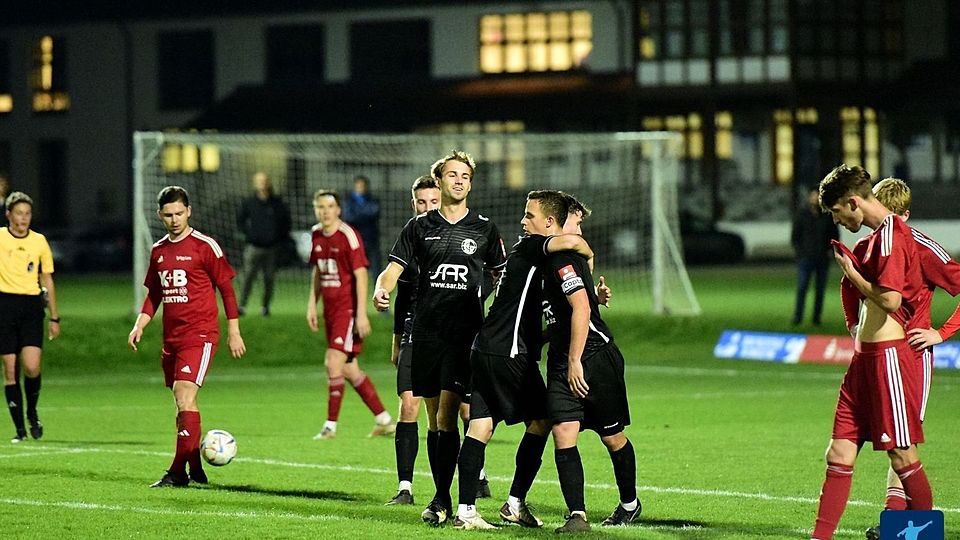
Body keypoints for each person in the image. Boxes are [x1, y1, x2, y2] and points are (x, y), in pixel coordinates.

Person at [373, 150, 506, 526]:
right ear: (440, 181)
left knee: (451, 414)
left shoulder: (484, 228)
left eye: (465, 175)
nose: (460, 180)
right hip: (428, 335)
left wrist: (486, 299)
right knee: (437, 420)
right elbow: (393, 269)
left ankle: (444, 498)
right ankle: (442, 498)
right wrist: (381, 289)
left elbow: (500, 274)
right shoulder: (419, 227)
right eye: (453, 174)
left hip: (465, 336)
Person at [452, 190, 596, 530]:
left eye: (528, 215)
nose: (522, 220)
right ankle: (515, 503)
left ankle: (466, 511)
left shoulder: (529, 257)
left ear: (547, 220)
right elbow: (571, 245)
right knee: (544, 419)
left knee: (480, 426)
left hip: (485, 349)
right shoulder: (531, 246)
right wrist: (588, 250)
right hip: (508, 353)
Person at [811, 165, 932, 540]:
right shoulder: (876, 238)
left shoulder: (895, 235)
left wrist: (853, 273)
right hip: (862, 362)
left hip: (889, 362)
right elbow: (860, 294)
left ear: (852, 202)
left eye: (836, 213)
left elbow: (892, 300)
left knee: (902, 456)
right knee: (838, 453)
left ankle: (920, 533)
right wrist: (853, 320)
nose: (836, 220)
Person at [128, 186, 246, 487]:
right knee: (183, 403)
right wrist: (140, 324)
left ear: (189, 211)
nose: (174, 219)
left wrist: (234, 330)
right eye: (168, 215)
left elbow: (227, 289)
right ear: (160, 216)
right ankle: (196, 467)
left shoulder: (205, 246)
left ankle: (177, 472)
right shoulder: (158, 251)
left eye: (179, 213)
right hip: (172, 338)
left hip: (201, 334)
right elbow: (154, 294)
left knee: (184, 394)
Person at [863, 177, 960, 540]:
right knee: (894, 442)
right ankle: (896, 524)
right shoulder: (875, 243)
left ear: (905, 215)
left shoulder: (922, 248)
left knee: (903, 443)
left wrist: (941, 332)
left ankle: (902, 526)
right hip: (880, 355)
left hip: (911, 356)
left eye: (893, 219)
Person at [541, 195, 640, 533]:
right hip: (563, 359)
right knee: (563, 431)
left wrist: (575, 359)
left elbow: (581, 310)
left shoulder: (566, 260)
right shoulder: (545, 258)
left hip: (595, 357)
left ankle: (629, 503)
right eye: (577, 221)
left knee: (611, 436)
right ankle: (577, 516)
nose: (580, 230)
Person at [307, 189, 394, 440]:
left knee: (332, 362)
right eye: (320, 206)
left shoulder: (348, 236)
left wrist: (361, 314)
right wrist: (312, 303)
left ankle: (330, 427)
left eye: (329, 207)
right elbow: (318, 272)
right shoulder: (315, 234)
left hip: (347, 310)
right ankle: (384, 419)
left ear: (338, 210)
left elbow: (361, 274)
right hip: (331, 312)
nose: (325, 211)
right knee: (349, 369)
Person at [2, 192, 60, 443]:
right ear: (9, 215)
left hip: (30, 308)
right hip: (4, 305)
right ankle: (20, 430)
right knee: (11, 369)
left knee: (32, 366)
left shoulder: (39, 241)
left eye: (27, 213)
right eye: (18, 213)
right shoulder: (1, 238)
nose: (23, 218)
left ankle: (32, 412)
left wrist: (55, 317)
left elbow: (47, 278)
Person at [236, 171, 291, 317]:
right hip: (253, 247)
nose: (262, 183)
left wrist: (279, 238)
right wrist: (250, 235)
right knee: (248, 277)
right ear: (255, 183)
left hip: (272, 248)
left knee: (269, 279)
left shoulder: (277, 203)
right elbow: (240, 221)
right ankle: (241, 306)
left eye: (265, 180)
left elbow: (286, 222)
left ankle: (265, 308)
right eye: (259, 181)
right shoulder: (249, 202)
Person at [791, 186, 839, 325]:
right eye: (813, 196)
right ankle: (798, 317)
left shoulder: (827, 216)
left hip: (822, 259)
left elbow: (834, 236)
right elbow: (795, 237)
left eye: (817, 196)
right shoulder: (802, 214)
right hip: (805, 258)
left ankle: (816, 319)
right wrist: (800, 253)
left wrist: (831, 251)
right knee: (802, 288)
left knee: (820, 290)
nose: (814, 199)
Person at [343, 175, 382, 278]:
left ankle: (378, 289)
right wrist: (365, 213)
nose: (361, 187)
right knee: (353, 265)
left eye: (363, 185)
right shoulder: (348, 201)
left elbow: (374, 212)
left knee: (376, 267)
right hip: (355, 238)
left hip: (370, 238)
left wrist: (357, 213)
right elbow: (348, 217)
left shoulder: (373, 199)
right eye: (359, 185)